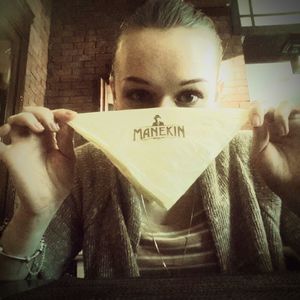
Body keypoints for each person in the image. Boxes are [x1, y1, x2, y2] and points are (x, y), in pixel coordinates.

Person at [0, 0, 300, 280]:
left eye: (189, 95)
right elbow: (24, 283)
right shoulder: (86, 168)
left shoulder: (260, 157)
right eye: (140, 95)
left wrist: (297, 193)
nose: (162, 116)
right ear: (115, 94)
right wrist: (34, 213)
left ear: (216, 96)